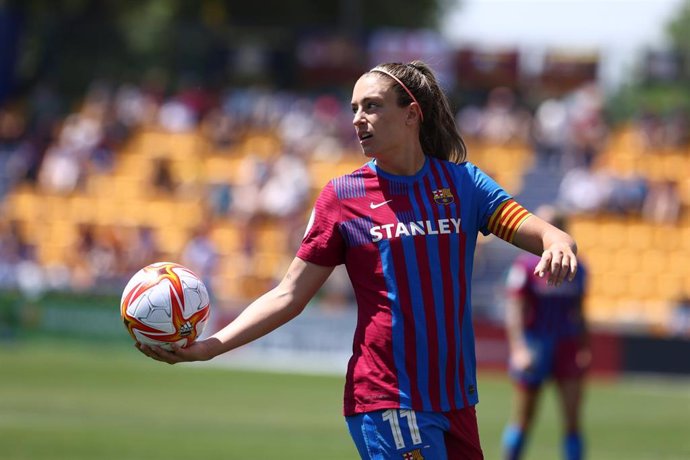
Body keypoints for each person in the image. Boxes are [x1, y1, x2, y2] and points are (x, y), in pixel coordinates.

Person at [138, 61, 579, 459]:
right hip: (388, 398)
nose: (357, 119)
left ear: (411, 114)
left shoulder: (464, 184)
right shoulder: (342, 197)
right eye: (354, 108)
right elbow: (290, 294)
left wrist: (559, 244)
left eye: (371, 106)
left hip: (456, 401)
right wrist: (211, 347)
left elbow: (543, 232)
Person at [501, 205, 589, 460]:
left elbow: (580, 312)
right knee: (523, 419)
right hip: (534, 345)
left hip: (567, 345)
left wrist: (584, 348)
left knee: (572, 421)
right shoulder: (525, 266)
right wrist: (518, 349)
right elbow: (515, 309)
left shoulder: (579, 268)